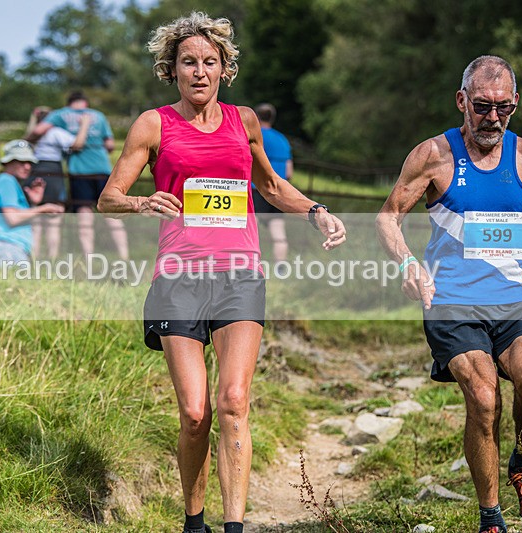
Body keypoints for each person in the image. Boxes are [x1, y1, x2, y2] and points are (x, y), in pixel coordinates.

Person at [97, 12, 346, 533]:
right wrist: (141, 204)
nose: (200, 71)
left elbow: (273, 187)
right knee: (195, 413)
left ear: (224, 68)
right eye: (189, 62)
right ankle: (195, 523)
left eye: (210, 61)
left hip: (239, 275)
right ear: (172, 69)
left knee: (234, 400)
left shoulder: (245, 122)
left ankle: (233, 527)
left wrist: (317, 212)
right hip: (178, 279)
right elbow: (108, 198)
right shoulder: (153, 124)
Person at [375, 55, 522, 533]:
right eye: (482, 106)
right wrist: (406, 261)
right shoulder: (432, 155)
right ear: (462, 101)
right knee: (483, 398)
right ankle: (490, 516)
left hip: (517, 295)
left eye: (504, 108)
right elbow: (387, 216)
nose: (493, 118)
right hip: (452, 301)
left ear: (515, 104)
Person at [30, 91, 129, 261]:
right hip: (103, 170)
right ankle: (124, 256)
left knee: (84, 215)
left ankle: (88, 258)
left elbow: (39, 130)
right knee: (112, 213)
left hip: (79, 171)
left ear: (69, 102)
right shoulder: (99, 115)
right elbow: (110, 145)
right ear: (86, 102)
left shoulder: (59, 114)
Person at [23, 106, 91, 260]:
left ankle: (33, 258)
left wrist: (33, 118)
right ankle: (52, 259)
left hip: (34, 173)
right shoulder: (56, 133)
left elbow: (27, 137)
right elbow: (77, 144)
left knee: (36, 222)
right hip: (53, 174)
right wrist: (84, 126)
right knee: (54, 220)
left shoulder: (33, 139)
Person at [0, 139, 65, 263]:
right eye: (21, 161)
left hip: (12, 249)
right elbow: (13, 218)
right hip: (7, 250)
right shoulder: (6, 181)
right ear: (8, 162)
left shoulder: (11, 184)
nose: (27, 166)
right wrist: (43, 208)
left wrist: (34, 203)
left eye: (29, 162)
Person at [252, 103, 292, 266]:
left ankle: (249, 266)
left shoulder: (255, 135)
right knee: (279, 233)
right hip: (279, 191)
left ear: (256, 117)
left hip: (256, 191)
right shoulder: (283, 140)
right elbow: (289, 171)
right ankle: (281, 268)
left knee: (249, 231)